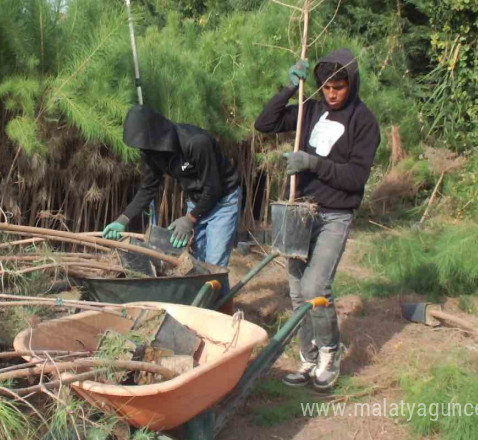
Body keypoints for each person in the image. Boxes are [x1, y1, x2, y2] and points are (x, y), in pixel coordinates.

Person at [254, 48, 380, 390]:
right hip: (300, 211)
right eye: (325, 86)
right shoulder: (311, 110)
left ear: (350, 83)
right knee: (296, 292)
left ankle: (329, 353)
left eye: (338, 86)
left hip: (334, 215)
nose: (331, 93)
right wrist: (288, 89)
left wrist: (312, 164)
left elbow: (355, 177)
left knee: (314, 287)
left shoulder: (363, 121)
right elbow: (264, 124)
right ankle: (308, 359)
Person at [102, 105, 242, 272]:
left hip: (222, 202)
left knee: (214, 264)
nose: (143, 151)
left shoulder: (196, 143)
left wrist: (190, 219)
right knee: (193, 262)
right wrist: (123, 220)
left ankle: (220, 297)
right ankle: (201, 298)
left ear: (155, 137)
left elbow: (213, 189)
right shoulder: (153, 153)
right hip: (197, 200)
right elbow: (148, 188)